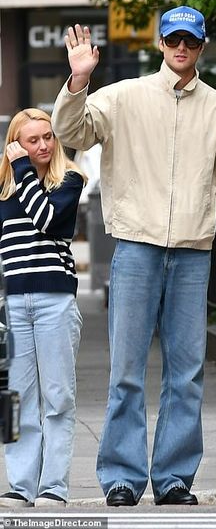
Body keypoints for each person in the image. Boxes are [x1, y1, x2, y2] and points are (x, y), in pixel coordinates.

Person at [51, 5, 216, 507]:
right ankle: (122, 477)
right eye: (173, 40)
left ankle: (173, 479)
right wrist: (77, 81)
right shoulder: (123, 97)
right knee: (126, 369)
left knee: (186, 372)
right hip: (136, 250)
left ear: (202, 46)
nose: (180, 48)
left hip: (192, 255)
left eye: (190, 40)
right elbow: (71, 133)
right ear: (160, 44)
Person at [0, 108, 85, 508]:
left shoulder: (68, 181)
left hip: (54, 300)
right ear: (15, 143)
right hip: (12, 304)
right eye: (32, 140)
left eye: (48, 137)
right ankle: (21, 484)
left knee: (58, 397)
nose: (44, 145)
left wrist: (23, 171)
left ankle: (53, 486)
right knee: (18, 398)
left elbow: (47, 219)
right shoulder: (3, 191)